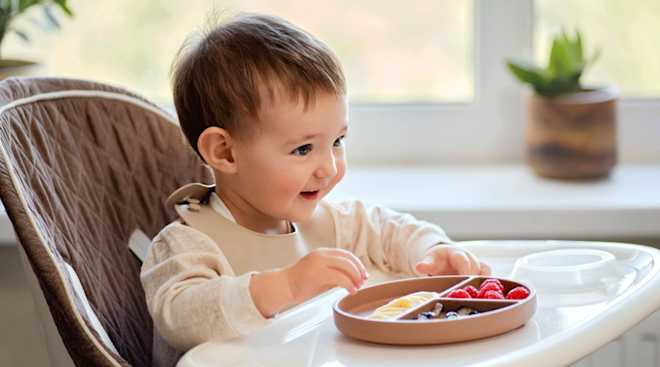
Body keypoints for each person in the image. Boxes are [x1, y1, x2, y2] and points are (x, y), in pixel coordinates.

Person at [141, 11, 491, 367]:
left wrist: (433, 250)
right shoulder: (189, 244)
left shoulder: (330, 223)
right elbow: (180, 316)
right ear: (225, 152)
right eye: (304, 149)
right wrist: (285, 287)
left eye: (338, 140)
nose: (331, 167)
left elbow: (388, 231)